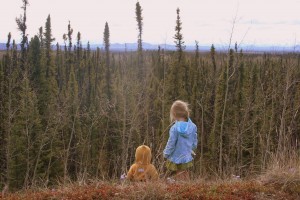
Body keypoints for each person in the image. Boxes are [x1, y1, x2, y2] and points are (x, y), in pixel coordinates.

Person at [163, 100, 197, 181]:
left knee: (179, 173)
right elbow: (194, 141)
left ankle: (182, 188)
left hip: (176, 156)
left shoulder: (174, 128)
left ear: (174, 114)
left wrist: (166, 154)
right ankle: (188, 187)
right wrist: (192, 150)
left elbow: (171, 143)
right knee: (184, 172)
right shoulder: (193, 126)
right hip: (187, 155)